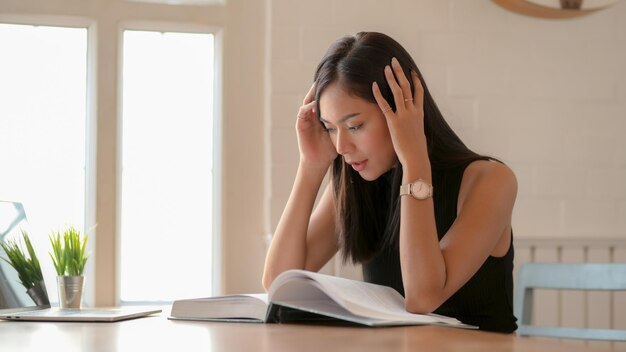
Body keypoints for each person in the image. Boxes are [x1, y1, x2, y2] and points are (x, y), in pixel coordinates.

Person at [262, 32, 517, 333]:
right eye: (330, 128)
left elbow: (422, 298)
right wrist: (311, 166)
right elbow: (278, 283)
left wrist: (415, 163)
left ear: (401, 109)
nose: (341, 146)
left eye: (355, 126)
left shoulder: (491, 181)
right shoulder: (356, 181)